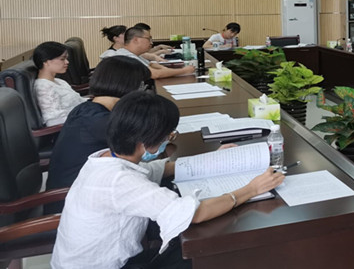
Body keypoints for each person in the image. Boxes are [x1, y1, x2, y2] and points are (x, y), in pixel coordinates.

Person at [51, 91, 284, 269]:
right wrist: (251, 189)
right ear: (146, 141)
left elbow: (154, 169)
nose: (168, 140)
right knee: (208, 253)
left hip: (87, 261)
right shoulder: (119, 181)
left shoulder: (106, 157)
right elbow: (196, 213)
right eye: (168, 136)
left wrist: (212, 160)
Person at [46, 56, 152, 196]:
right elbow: (147, 146)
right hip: (75, 197)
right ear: (128, 86)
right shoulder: (100, 121)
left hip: (90, 186)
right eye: (142, 85)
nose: (143, 91)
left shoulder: (88, 108)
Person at [106, 27, 194, 79]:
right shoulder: (126, 56)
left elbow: (151, 65)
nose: (151, 42)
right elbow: (155, 74)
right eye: (148, 39)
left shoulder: (133, 54)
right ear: (136, 40)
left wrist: (166, 70)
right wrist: (184, 71)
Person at [33, 42, 85, 126]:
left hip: (82, 117)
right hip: (75, 126)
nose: (67, 62)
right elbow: (54, 122)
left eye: (66, 58)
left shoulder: (60, 81)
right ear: (46, 61)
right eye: (62, 59)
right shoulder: (43, 87)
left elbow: (79, 101)